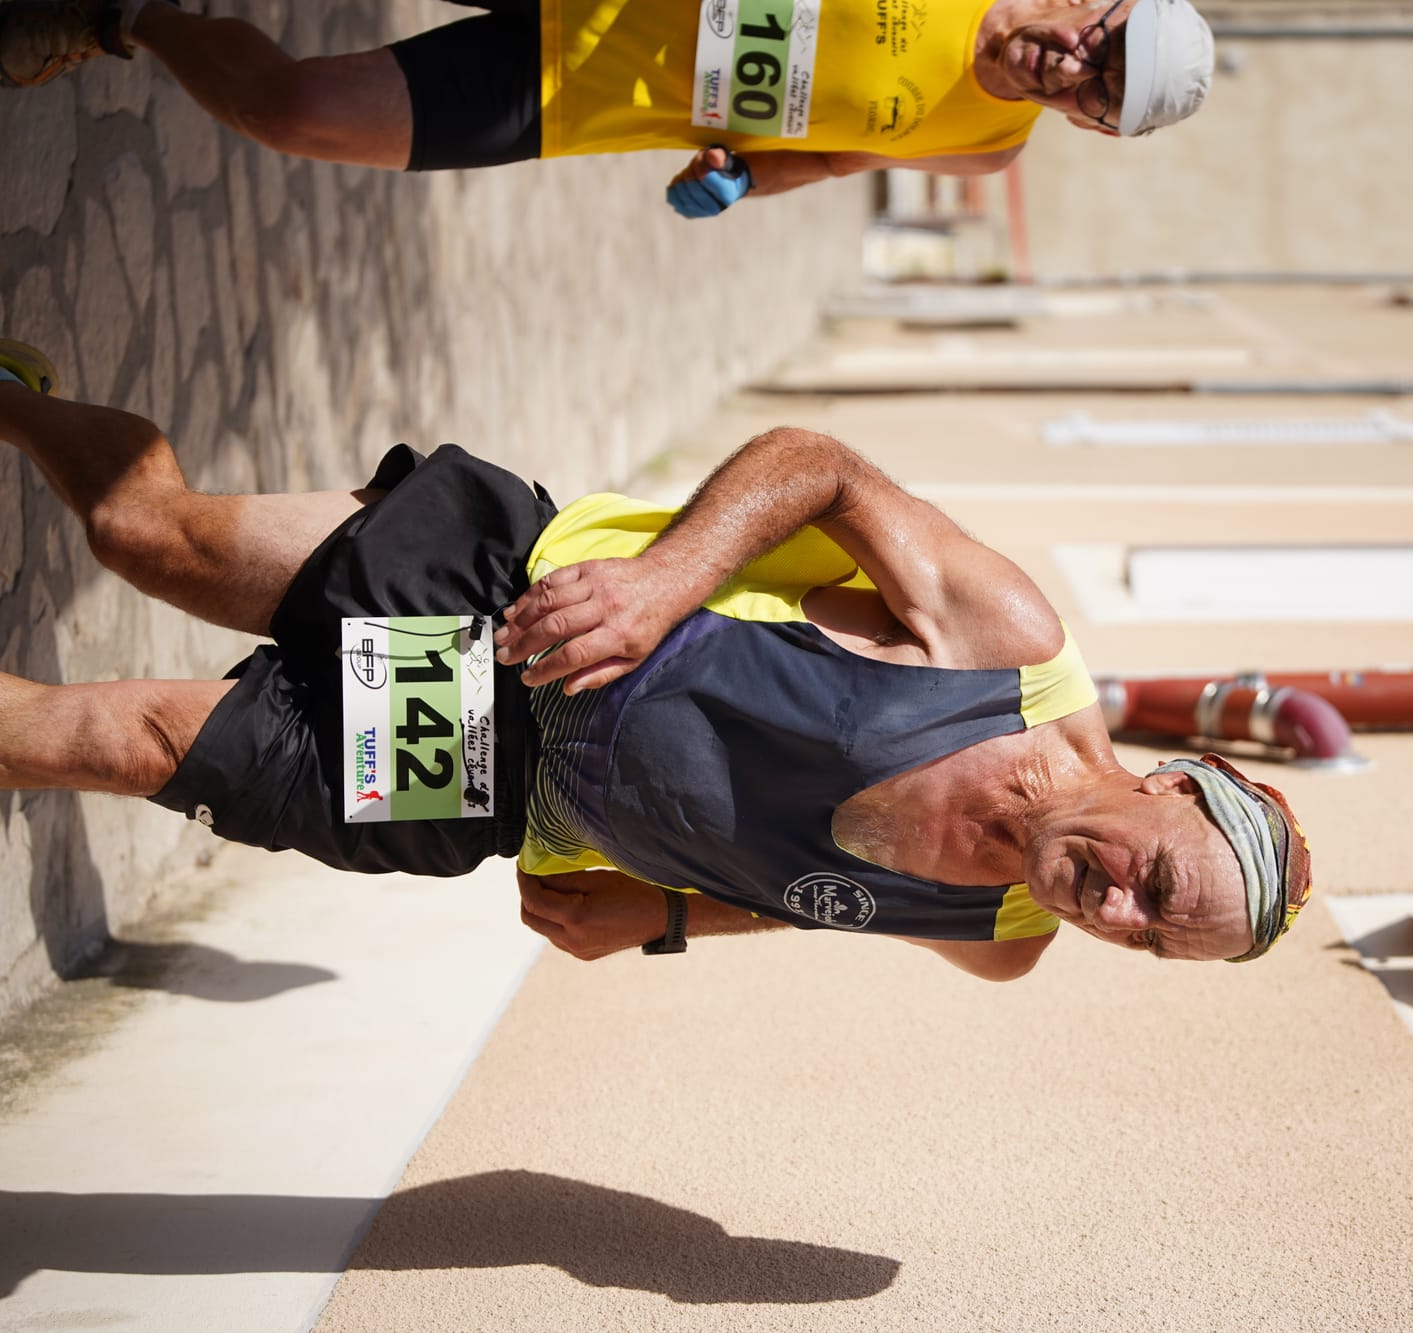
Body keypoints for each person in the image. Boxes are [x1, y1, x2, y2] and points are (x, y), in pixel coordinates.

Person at [0, 338, 1311, 980]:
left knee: (128, 742)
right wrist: (665, 580)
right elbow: (818, 466)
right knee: (143, 534)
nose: (1115, 916)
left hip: (484, 779)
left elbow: (816, 895)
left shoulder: (1003, 936)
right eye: (1154, 883)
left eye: (1149, 941)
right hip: (527, 604)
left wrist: (670, 914)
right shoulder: (1008, 651)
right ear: (1173, 783)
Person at [0, 0, 1215, 217]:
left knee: (299, 111)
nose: (1076, 67)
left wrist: (739, 178)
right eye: (1103, 43)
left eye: (1100, 93)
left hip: (577, 91)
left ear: (1091, 126)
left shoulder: (985, 145)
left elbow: (835, 159)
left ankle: (120, 18)